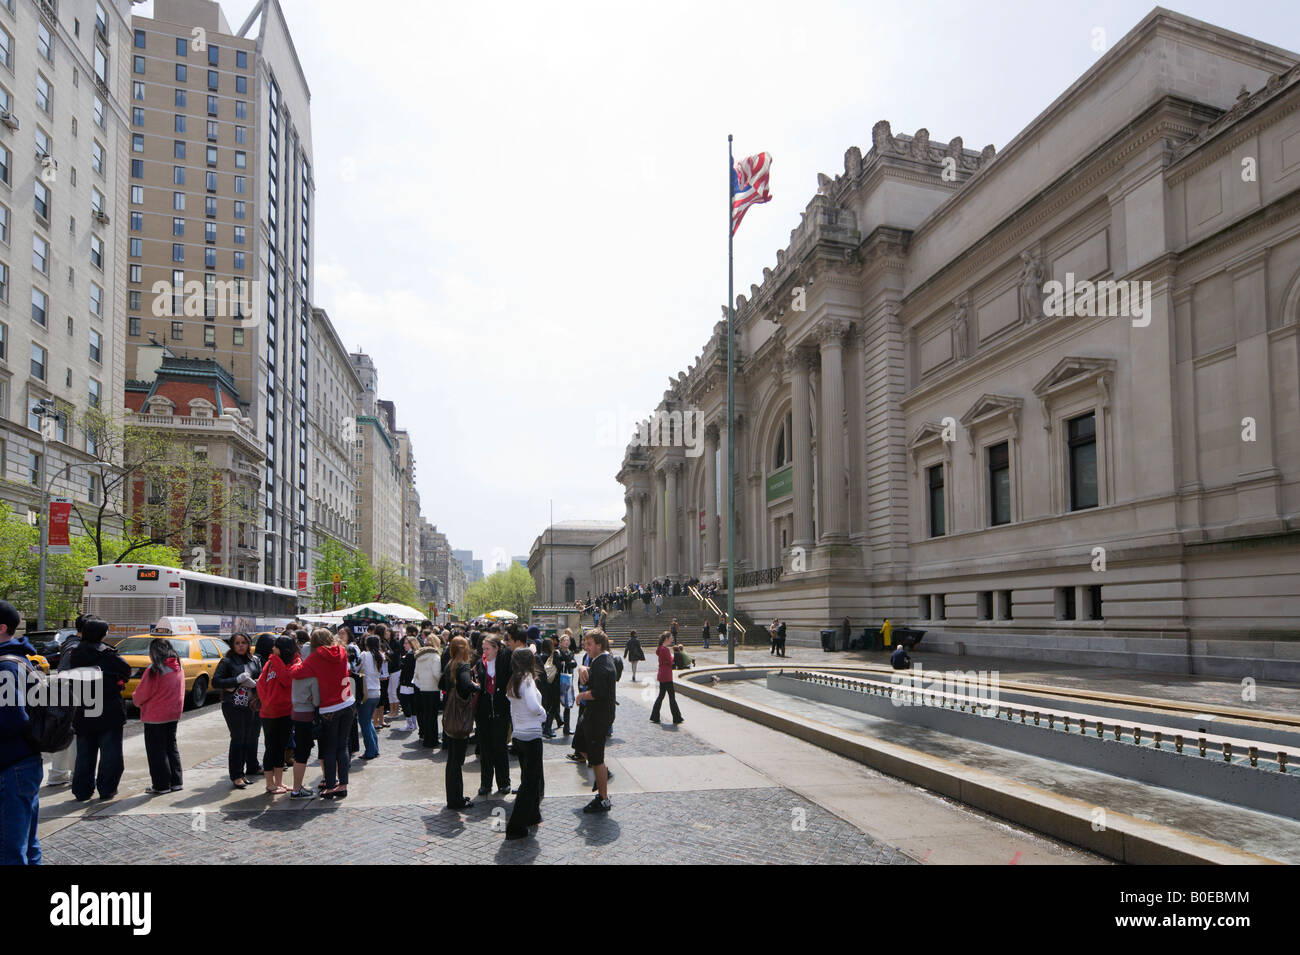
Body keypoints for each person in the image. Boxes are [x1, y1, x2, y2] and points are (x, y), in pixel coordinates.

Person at [0, 600, 44, 863]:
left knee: (10, 849)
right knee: (27, 844)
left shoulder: (5, 666)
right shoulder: (19, 658)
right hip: (23, 763)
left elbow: (13, 718)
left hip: (11, 765)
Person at [69, 618, 130, 802]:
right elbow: (126, 670)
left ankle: (81, 790)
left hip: (84, 708)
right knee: (110, 754)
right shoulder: (108, 655)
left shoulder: (75, 653)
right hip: (109, 709)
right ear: (103, 634)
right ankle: (107, 788)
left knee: (84, 754)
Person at [294, 631, 354, 799]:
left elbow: (296, 673)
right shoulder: (341, 651)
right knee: (342, 746)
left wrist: (296, 662)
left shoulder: (314, 658)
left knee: (329, 748)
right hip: (348, 702)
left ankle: (329, 786)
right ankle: (343, 785)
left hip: (329, 707)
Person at [133, 638, 185, 795]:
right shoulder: (178, 667)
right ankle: (176, 781)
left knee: (157, 751)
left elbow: (141, 694)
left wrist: (136, 700)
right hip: (173, 714)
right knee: (171, 747)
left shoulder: (155, 669)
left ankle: (161, 785)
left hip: (155, 716)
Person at [505, 647, 546, 840]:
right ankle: (516, 826)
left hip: (520, 735)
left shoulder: (514, 680)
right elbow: (532, 706)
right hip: (531, 736)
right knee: (530, 783)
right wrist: (543, 714)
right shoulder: (527, 680)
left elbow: (516, 708)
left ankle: (531, 816)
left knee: (528, 780)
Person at [213, 632, 262, 789]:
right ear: (233, 646)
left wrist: (255, 684)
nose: (241, 646)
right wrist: (236, 680)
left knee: (247, 738)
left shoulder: (255, 660)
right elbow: (216, 681)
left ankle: (242, 773)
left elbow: (260, 678)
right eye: (237, 643)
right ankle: (236, 775)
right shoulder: (227, 661)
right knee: (237, 738)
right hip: (232, 705)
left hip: (250, 704)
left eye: (244, 642)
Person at [576, 630, 616, 814]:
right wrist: (583, 668)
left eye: (589, 643)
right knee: (579, 744)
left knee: (597, 758)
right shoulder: (600, 661)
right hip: (591, 714)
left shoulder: (602, 663)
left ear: (599, 645)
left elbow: (599, 691)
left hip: (598, 716)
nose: (586, 646)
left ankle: (603, 799)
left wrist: (582, 695)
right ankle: (603, 774)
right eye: (585, 643)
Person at [44, 614, 87, 787]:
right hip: (68, 694)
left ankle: (58, 774)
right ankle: (66, 773)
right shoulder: (76, 647)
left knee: (63, 732)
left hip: (61, 693)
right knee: (71, 734)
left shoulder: (68, 643)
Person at [287, 629, 329, 799]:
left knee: (301, 754)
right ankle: (326, 780)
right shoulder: (313, 676)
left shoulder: (296, 672)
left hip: (297, 714)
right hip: (312, 716)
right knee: (323, 749)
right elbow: (317, 701)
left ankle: (296, 788)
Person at [440, 636, 479, 811]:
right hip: (459, 716)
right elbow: (465, 684)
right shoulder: (462, 665)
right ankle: (456, 801)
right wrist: (477, 686)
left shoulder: (450, 664)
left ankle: (454, 797)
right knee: (457, 761)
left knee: (452, 761)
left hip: (450, 715)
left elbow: (441, 683)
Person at [257, 635, 297, 794]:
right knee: (271, 747)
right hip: (270, 713)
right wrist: (267, 702)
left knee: (281, 747)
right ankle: (269, 783)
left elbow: (287, 680)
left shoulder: (288, 664)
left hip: (285, 711)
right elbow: (261, 684)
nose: (273, 649)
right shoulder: (270, 663)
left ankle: (279, 782)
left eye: (276, 646)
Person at [474, 635, 512, 796]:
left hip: (501, 711)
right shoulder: (479, 664)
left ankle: (504, 783)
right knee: (485, 749)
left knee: (500, 748)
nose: (485, 652)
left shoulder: (504, 662)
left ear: (497, 649)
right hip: (483, 713)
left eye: (488, 648)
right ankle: (486, 783)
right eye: (484, 649)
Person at [357, 636, 387, 759]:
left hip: (366, 691)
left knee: (364, 722)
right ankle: (374, 749)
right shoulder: (381, 656)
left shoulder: (365, 655)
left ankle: (370, 751)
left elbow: (357, 668)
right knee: (368, 721)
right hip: (376, 691)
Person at [412, 634, 442, 747]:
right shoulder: (435, 656)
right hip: (433, 688)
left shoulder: (419, 656)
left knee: (426, 714)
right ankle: (433, 739)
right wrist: (441, 683)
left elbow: (417, 674)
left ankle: (426, 738)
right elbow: (436, 673)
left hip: (423, 688)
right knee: (433, 716)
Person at [649, 632, 683, 725]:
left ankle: (655, 716)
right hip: (667, 674)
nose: (672, 639)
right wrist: (672, 657)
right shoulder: (665, 650)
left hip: (662, 674)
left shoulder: (660, 648)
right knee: (671, 696)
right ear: (666, 638)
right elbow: (670, 662)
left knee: (661, 696)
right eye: (671, 638)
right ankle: (676, 717)